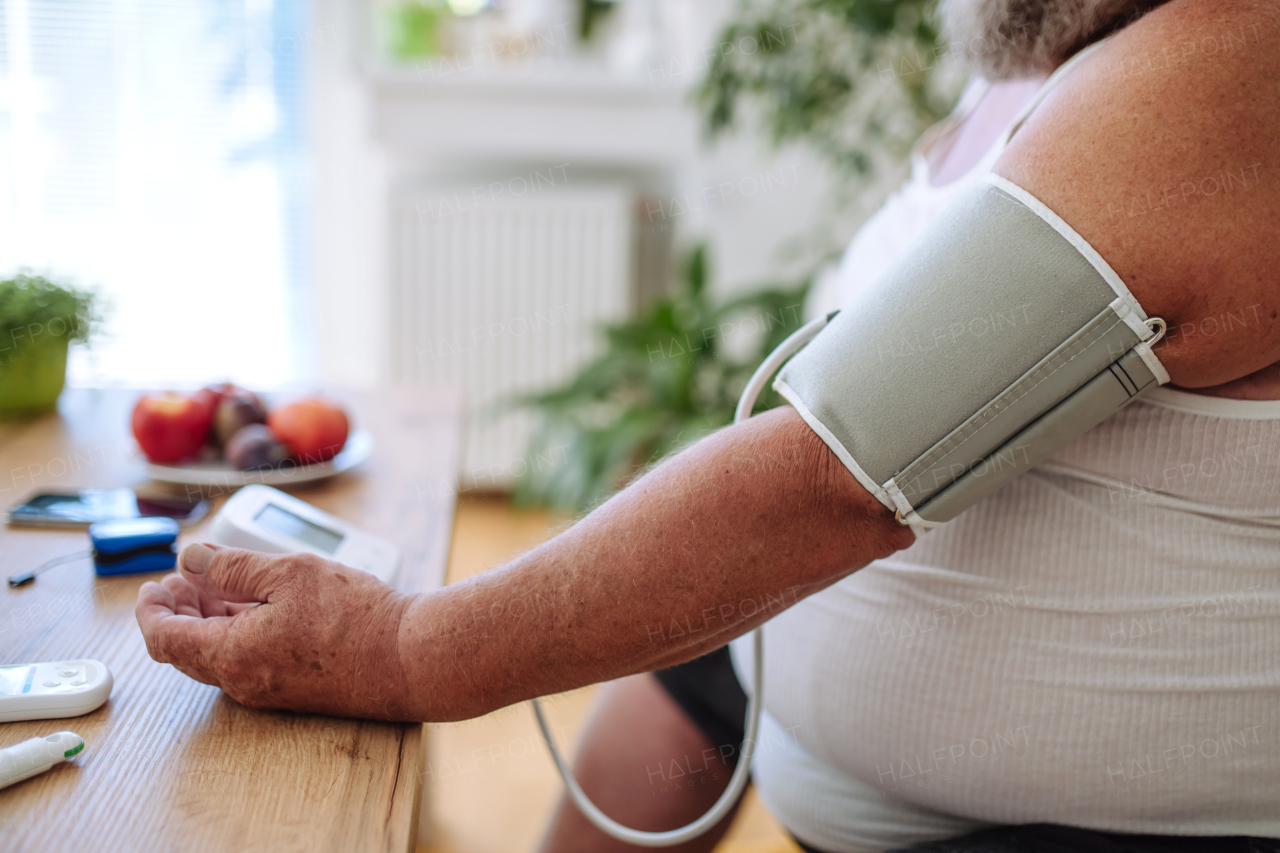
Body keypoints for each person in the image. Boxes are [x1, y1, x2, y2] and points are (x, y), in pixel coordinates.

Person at [137, 0, 1280, 850]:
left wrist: (404, 651)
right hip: (802, 705)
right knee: (691, 661)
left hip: (1078, 825)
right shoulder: (1048, 52)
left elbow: (836, 476)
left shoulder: (1232, 60)